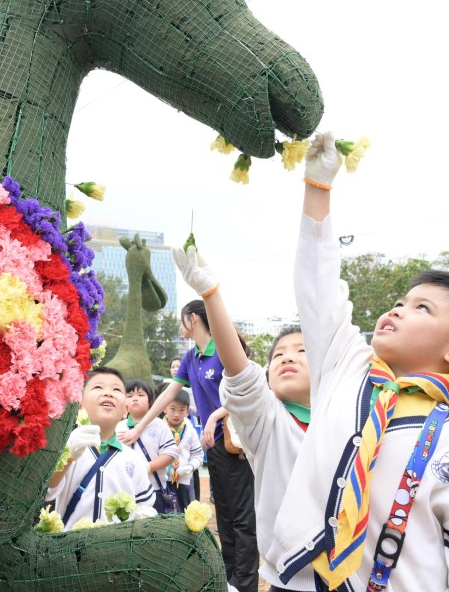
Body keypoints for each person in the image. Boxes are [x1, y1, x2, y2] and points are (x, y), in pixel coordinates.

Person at [275, 132, 449, 591]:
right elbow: (318, 284)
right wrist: (318, 189)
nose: (398, 309)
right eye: (401, 301)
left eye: (422, 308)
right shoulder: (345, 367)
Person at [172, 244, 315, 590]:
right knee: (229, 518)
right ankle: (236, 581)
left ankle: (242, 578)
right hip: (291, 577)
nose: (287, 357)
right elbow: (240, 375)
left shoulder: (345, 419)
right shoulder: (270, 417)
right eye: (278, 353)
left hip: (347, 570)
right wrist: (211, 293)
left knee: (240, 519)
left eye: (302, 350)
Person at [120, 300, 259, 592]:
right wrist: (140, 427)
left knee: (242, 517)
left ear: (193, 319)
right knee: (225, 516)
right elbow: (167, 394)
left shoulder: (224, 349)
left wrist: (216, 416)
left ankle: (245, 584)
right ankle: (229, 579)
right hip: (215, 449)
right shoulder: (191, 356)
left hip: (237, 445)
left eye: (182, 319)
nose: (180, 324)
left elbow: (251, 389)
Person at [47, 367, 157, 529]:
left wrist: (141, 516)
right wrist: (68, 456)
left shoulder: (134, 459)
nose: (108, 393)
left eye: (117, 389)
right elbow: (48, 490)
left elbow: (145, 504)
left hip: (115, 551)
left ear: (125, 411)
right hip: (67, 550)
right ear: (80, 405)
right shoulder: (66, 447)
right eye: (98, 387)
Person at [118, 379, 180, 513]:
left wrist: (147, 467)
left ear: (151, 401)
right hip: (124, 491)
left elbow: (171, 454)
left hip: (155, 489)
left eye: (140, 395)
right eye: (129, 396)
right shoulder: (119, 427)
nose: (135, 399)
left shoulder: (159, 425)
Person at [163, 388, 204, 511]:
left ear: (187, 411)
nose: (176, 414)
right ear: (164, 409)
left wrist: (190, 467)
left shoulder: (190, 431)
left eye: (181, 410)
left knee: (186, 513)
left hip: (184, 481)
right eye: (172, 409)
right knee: (165, 515)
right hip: (163, 482)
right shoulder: (158, 429)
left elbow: (198, 454)